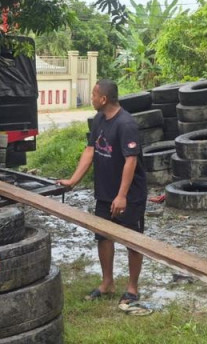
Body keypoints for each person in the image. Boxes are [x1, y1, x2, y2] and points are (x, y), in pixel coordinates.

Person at [57, 79, 147, 306]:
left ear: (104, 99)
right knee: (103, 237)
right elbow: (90, 150)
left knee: (132, 240)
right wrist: (73, 180)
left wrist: (122, 196)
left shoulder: (126, 125)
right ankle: (107, 283)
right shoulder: (99, 119)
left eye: (94, 95)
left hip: (129, 195)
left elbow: (131, 162)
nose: (92, 99)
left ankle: (132, 288)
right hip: (104, 192)